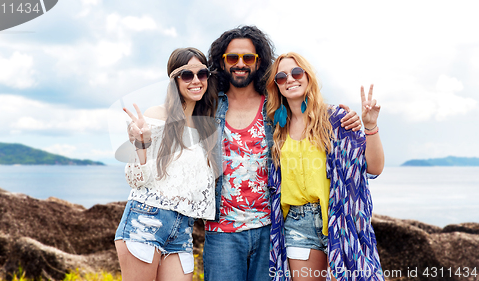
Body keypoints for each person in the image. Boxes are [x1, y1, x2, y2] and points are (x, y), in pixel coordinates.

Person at [203, 26, 363, 281]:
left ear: (260, 62)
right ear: (221, 63)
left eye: (248, 58)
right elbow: (178, 114)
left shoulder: (274, 108)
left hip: (270, 229)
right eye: (232, 58)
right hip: (222, 232)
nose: (240, 64)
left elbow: (310, 116)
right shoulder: (209, 107)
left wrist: (349, 119)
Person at [266, 52, 385, 281]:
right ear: (277, 86)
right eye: (281, 77)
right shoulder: (275, 129)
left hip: (340, 220)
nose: (290, 79)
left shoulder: (336, 120)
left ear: (308, 77)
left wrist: (370, 126)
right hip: (297, 226)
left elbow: (374, 167)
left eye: (296, 72)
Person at [114, 47, 219, 281]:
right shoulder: (158, 115)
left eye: (201, 74)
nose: (195, 80)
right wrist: (141, 144)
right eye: (186, 75)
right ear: (174, 79)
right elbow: (135, 179)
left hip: (182, 230)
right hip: (145, 219)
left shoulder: (206, 127)